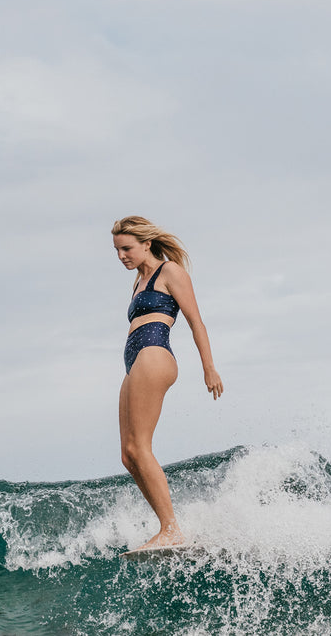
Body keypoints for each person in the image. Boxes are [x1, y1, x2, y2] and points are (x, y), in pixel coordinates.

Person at [112, 216, 223, 550]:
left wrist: (209, 368)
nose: (122, 256)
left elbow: (196, 322)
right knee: (128, 455)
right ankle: (166, 528)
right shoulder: (137, 281)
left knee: (140, 447)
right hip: (134, 362)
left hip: (154, 354)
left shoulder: (170, 271)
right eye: (117, 251)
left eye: (127, 248)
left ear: (146, 243)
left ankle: (171, 528)